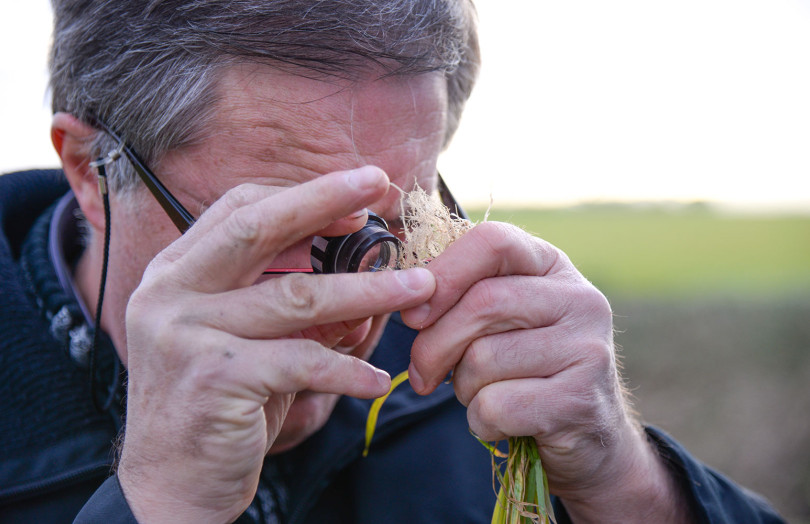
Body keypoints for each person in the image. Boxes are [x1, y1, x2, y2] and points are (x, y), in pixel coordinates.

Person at [0, 1, 784, 522]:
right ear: (90, 172)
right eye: (276, 230)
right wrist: (160, 501)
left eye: (391, 227)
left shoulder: (474, 368)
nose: (352, 307)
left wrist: (631, 486)